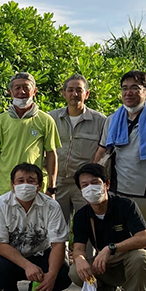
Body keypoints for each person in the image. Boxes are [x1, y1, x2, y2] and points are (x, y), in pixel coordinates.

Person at [94, 71, 146, 291]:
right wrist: (92, 180)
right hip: (116, 191)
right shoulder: (112, 119)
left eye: (135, 88)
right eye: (125, 87)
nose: (128, 92)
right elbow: (101, 152)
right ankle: (115, 285)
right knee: (116, 237)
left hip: (145, 193)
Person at [0, 72, 61, 291]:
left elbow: (51, 154)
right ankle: (1, 279)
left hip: (35, 186)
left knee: (38, 232)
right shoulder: (0, 121)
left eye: (26, 87)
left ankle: (39, 278)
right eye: (17, 87)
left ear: (34, 90)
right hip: (5, 187)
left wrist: (51, 186)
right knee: (2, 234)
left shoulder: (45, 120)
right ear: (10, 91)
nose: (21, 91)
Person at [69, 163, 146, 291]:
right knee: (75, 272)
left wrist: (111, 248)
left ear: (106, 184)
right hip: (105, 265)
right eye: (85, 185)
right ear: (81, 191)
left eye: (95, 182)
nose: (90, 188)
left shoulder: (126, 206)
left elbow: (143, 239)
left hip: (129, 260)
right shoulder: (82, 216)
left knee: (142, 257)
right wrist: (79, 259)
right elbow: (79, 248)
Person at [0, 163, 71, 291]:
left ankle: (41, 289)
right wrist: (27, 266)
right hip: (10, 257)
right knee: (0, 270)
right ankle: (9, 290)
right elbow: (0, 245)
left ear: (39, 186)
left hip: (40, 254)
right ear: (12, 184)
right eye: (20, 181)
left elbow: (58, 244)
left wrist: (52, 275)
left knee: (64, 274)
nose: (25, 185)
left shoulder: (51, 206)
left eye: (31, 181)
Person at [48, 74, 106, 225]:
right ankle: (62, 250)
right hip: (58, 183)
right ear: (64, 93)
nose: (74, 94)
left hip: (86, 185)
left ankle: (87, 250)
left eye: (79, 90)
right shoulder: (51, 119)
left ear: (86, 94)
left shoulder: (100, 121)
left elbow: (106, 154)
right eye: (70, 90)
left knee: (89, 226)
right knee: (57, 228)